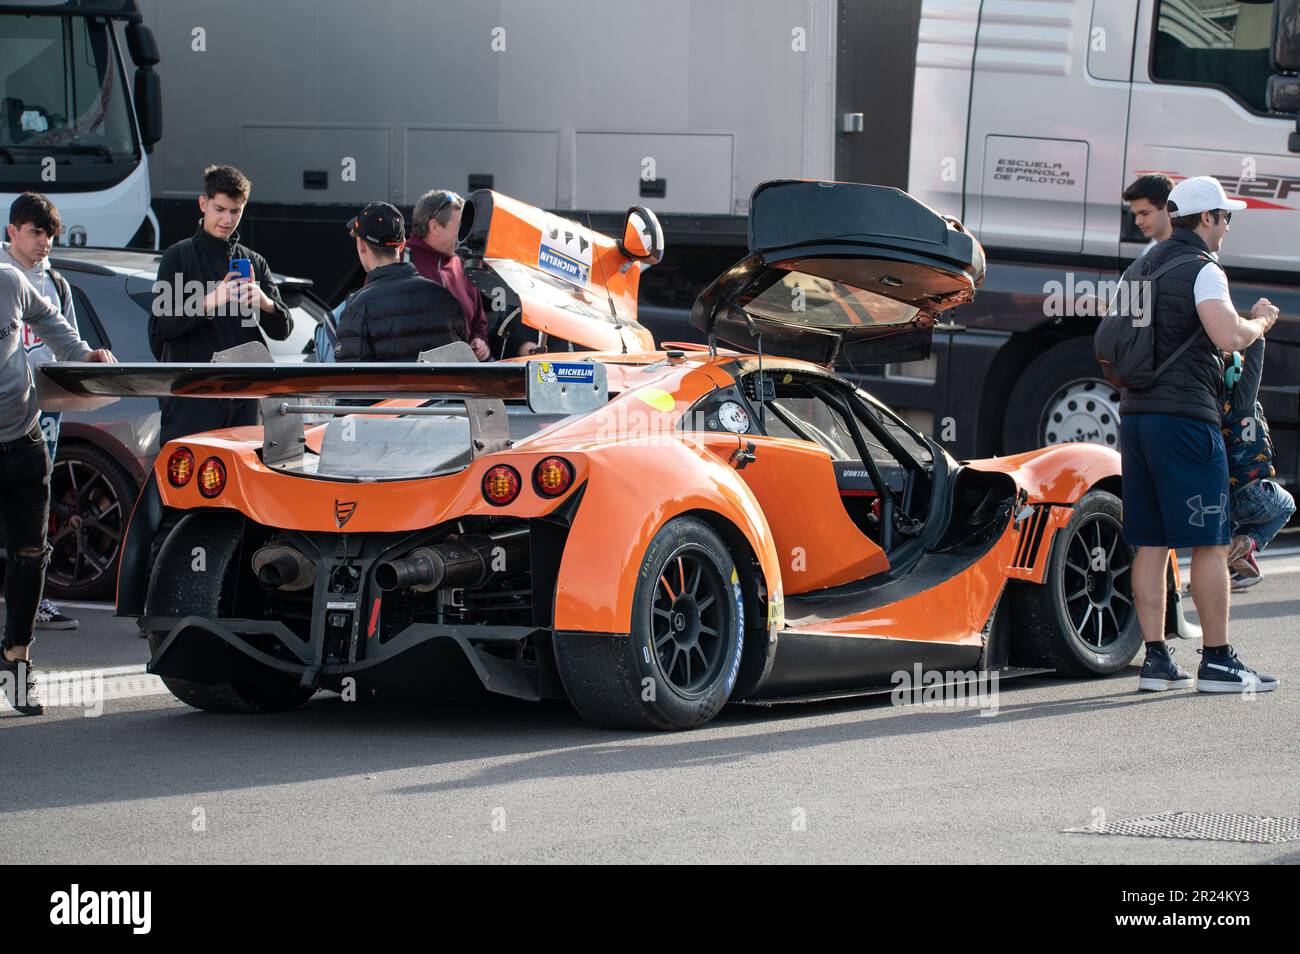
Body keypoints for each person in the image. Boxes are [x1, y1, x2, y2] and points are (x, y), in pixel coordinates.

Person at [1122, 176, 1280, 694]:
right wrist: (1257, 325)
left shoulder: (1138, 268)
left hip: (1136, 416)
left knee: (1149, 540)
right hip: (1186, 419)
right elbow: (1224, 334)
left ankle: (1156, 661)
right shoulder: (1203, 269)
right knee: (1210, 543)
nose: (1228, 226)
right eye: (1226, 217)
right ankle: (1216, 660)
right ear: (1207, 219)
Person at [1, 259, 115, 716]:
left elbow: (48, 317)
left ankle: (16, 660)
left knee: (31, 556)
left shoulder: (8, 280)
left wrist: (81, 352)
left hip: (24, 439)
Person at [149, 165, 292, 443]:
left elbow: (283, 329)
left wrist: (264, 303)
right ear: (203, 204)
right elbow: (158, 328)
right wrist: (208, 301)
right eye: (220, 209)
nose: (227, 219)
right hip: (193, 400)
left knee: (242, 480)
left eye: (235, 211)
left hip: (244, 398)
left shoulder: (254, 262)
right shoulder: (178, 256)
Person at [2, 193, 78, 630]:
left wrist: (87, 361)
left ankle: (32, 607)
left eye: (50, 234)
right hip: (7, 408)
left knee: (32, 519)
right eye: (35, 232)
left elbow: (67, 339)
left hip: (41, 412)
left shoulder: (57, 284)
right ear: (12, 231)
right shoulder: (5, 276)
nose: (44, 241)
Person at [334, 202, 465, 362]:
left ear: (361, 245)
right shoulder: (444, 297)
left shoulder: (358, 307)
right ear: (402, 245)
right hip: (441, 388)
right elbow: (461, 361)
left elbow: (352, 379)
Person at [1221, 338, 1295, 589]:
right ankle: (1250, 544)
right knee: (1287, 505)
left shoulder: (1209, 406)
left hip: (1222, 498)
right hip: (1252, 492)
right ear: (1235, 374)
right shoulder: (1242, 401)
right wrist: (1258, 335)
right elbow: (1253, 367)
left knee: (1225, 534)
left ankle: (1228, 571)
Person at [407, 189, 491, 360]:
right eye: (460, 226)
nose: (466, 235)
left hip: (461, 378)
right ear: (434, 227)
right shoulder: (403, 260)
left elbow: (478, 323)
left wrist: (480, 341)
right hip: (415, 377)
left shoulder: (463, 265)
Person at [1123, 173, 1174, 257]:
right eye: (1135, 215)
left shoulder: (1187, 254)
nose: (1137, 222)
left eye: (1144, 213)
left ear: (1168, 207)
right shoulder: (1149, 250)